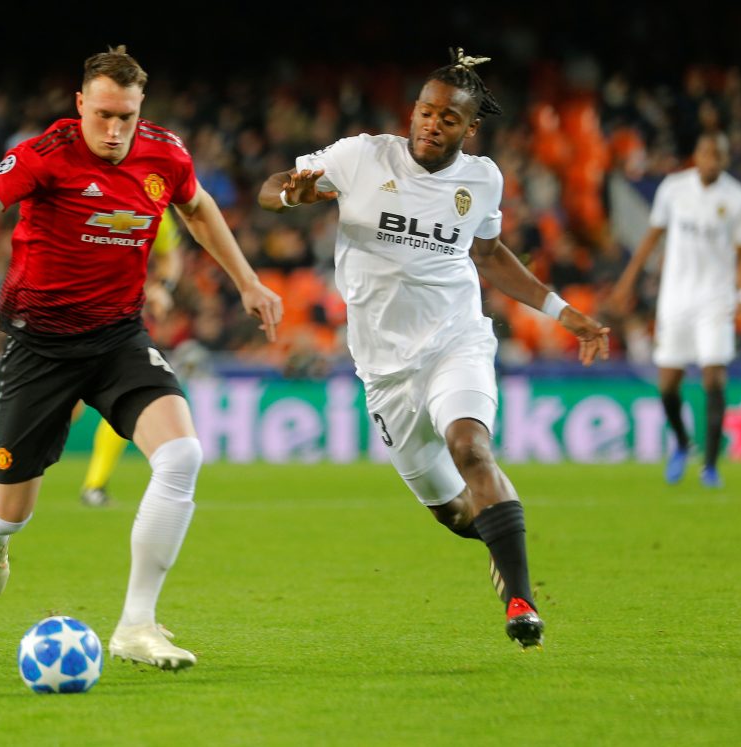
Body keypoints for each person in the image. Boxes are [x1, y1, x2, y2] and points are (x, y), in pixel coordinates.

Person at [0, 46, 282, 671]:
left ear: (141, 111)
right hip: (39, 348)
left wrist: (246, 280)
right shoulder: (43, 155)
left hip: (117, 338)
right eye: (102, 114)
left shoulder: (167, 153)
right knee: (11, 509)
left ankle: (137, 625)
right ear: (80, 104)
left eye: (126, 117)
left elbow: (198, 208)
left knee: (183, 454)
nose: (113, 130)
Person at [258, 47, 610, 649]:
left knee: (471, 447)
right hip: (385, 367)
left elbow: (491, 255)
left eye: (448, 118)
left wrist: (563, 312)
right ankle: (501, 538)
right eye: (425, 111)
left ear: (469, 128)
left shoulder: (483, 178)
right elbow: (272, 189)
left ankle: (522, 601)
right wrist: (293, 194)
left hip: (456, 338)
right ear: (413, 111)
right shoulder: (362, 155)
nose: (431, 124)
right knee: (453, 512)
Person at [610, 131, 741, 488]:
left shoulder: (735, 198)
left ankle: (710, 466)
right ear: (696, 155)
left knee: (714, 376)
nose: (711, 160)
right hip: (676, 298)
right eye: (705, 152)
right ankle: (684, 444)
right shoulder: (674, 188)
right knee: (668, 383)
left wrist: (738, 294)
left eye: (718, 154)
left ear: (725, 159)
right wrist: (627, 281)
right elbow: (651, 237)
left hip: (716, 299)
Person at [80, 206, 186, 508]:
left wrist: (162, 288)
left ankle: (95, 484)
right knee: (66, 409)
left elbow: (169, 254)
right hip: (69, 314)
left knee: (128, 395)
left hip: (122, 317)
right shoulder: (82, 191)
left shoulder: (155, 204)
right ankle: (15, 470)